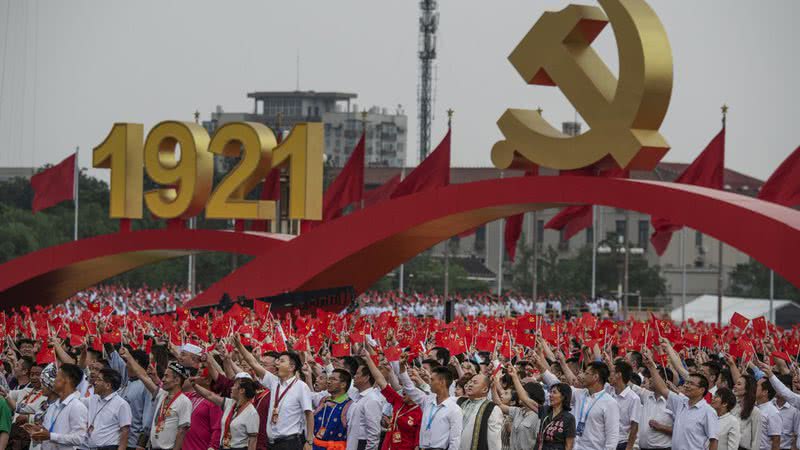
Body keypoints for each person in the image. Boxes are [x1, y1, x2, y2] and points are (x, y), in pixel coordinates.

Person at [233, 337, 314, 450]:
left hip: (290, 443)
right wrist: (239, 345)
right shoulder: (274, 381)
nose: (277, 363)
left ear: (291, 367)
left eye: (281, 361)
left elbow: (309, 414)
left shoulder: (301, 386)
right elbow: (253, 363)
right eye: (277, 360)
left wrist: (309, 441)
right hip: (271, 443)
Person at [642, 348, 718, 450]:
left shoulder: (708, 411)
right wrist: (651, 366)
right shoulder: (680, 402)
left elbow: (713, 440)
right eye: (686, 382)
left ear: (701, 390)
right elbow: (663, 388)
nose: (686, 386)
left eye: (691, 384)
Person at [120, 348, 193, 450]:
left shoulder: (184, 401)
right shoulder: (161, 395)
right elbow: (143, 376)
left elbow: (182, 432)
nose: (163, 379)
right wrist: (129, 357)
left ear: (176, 380)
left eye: (166, 376)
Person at [541, 361, 619, 450]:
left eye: (586, 373)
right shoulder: (579, 394)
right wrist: (539, 364)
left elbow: (612, 438)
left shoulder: (610, 403)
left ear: (595, 377)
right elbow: (557, 385)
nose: (582, 376)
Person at [398, 359, 462, 450]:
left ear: (442, 382)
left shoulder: (454, 409)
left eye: (432, 380)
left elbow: (455, 440)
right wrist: (402, 369)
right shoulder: (427, 401)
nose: (429, 382)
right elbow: (410, 389)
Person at [361, 351, 418, 450]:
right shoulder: (398, 400)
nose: (403, 390)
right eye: (403, 388)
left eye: (408, 389)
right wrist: (368, 359)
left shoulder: (422, 411)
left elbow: (418, 444)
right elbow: (380, 380)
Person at [24, 363, 88, 450]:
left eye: (57, 376)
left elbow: (79, 438)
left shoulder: (77, 406)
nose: (53, 380)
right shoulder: (53, 406)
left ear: (67, 380)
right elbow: (46, 436)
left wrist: (51, 436)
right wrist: (38, 433)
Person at [190, 373, 260, 450]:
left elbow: (253, 440)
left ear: (242, 390)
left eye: (234, 386)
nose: (231, 388)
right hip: (223, 446)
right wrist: (194, 385)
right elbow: (209, 395)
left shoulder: (251, 413)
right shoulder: (230, 403)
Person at [491, 366, 542, 450]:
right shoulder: (518, 411)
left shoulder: (538, 416)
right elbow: (499, 405)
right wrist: (493, 388)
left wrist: (514, 377)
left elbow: (539, 442)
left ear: (531, 396)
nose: (520, 395)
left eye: (523, 393)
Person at [80, 368, 132, 450]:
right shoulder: (93, 399)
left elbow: (125, 432)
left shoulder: (122, 404)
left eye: (99, 380)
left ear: (108, 385)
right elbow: (77, 402)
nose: (95, 382)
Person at [631, 366, 673, 450]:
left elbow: (681, 431)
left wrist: (661, 427)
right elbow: (627, 384)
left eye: (653, 376)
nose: (649, 379)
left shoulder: (674, 402)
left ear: (663, 380)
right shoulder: (646, 395)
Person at [311, 369, 354, 450]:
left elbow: (353, 435)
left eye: (333, 379)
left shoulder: (350, 405)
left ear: (343, 384)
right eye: (329, 379)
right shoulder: (323, 400)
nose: (328, 382)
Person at [456, 374, 502, 450]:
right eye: (470, 382)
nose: (470, 385)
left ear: (485, 389)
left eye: (475, 382)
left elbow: (494, 441)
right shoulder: (459, 401)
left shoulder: (492, 409)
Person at [345, 364, 384, 450]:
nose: (354, 376)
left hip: (362, 444)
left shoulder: (372, 399)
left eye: (358, 374)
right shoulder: (357, 396)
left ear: (366, 378)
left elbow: (374, 432)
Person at [182, 370, 222, 450]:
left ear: (208, 381)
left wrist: (212, 447)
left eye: (199, 374)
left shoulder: (214, 401)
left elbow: (217, 428)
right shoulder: (188, 396)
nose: (195, 376)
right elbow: (174, 390)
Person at [608, 361, 640, 450]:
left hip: (621, 444)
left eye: (612, 372)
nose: (609, 376)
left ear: (619, 375)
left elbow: (634, 427)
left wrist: (628, 448)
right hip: (606, 443)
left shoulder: (634, 398)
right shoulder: (608, 392)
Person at [536, 383, 575, 450]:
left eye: (554, 392)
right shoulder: (545, 410)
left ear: (563, 396)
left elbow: (568, 446)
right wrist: (515, 377)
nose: (550, 395)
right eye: (550, 392)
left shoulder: (569, 418)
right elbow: (525, 399)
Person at [732, 374, 763, 450]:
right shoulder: (733, 406)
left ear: (747, 388)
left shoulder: (755, 411)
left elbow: (756, 439)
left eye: (739, 384)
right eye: (735, 383)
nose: (735, 386)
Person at [754, 378, 781, 450]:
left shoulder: (772, 411)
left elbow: (776, 440)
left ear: (764, 392)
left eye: (757, 386)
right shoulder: (753, 407)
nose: (753, 388)